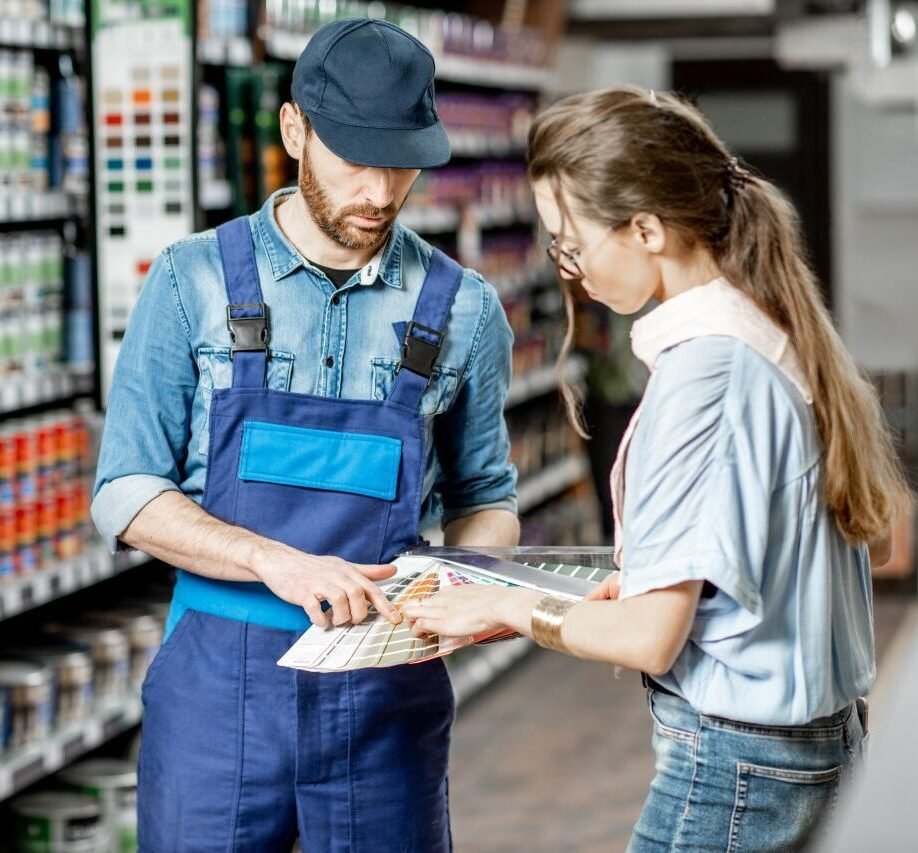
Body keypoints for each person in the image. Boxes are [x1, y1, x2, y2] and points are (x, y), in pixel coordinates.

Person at [404, 85, 907, 852]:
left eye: (570, 243)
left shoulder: (705, 379)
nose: (568, 271)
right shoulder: (768, 332)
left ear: (644, 228)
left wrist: (502, 609)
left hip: (740, 770)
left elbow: (648, 638)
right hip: (812, 751)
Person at [91, 18, 520, 852]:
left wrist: (467, 578)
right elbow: (127, 490)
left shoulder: (464, 310)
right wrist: (274, 562)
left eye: (402, 163)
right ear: (295, 130)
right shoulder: (193, 281)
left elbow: (487, 497)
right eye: (355, 156)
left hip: (384, 692)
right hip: (219, 692)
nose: (380, 190)